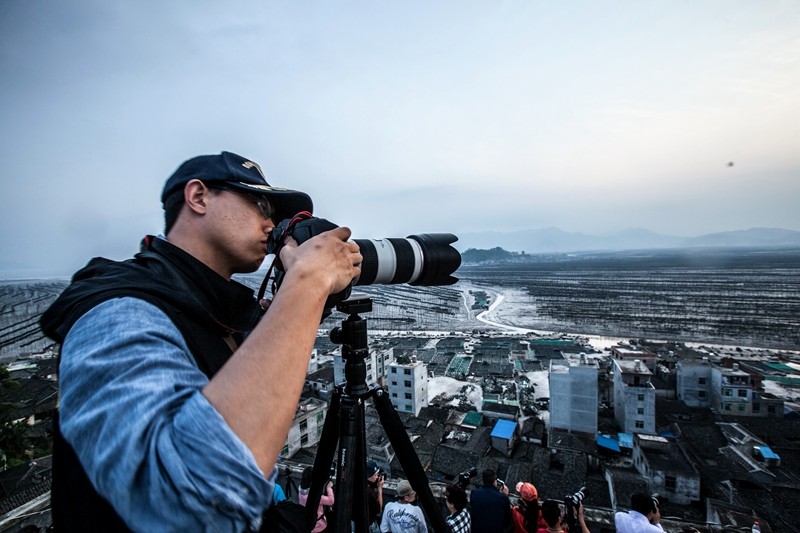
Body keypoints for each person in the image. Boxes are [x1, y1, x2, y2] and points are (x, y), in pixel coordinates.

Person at [40, 151, 363, 531]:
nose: (271, 224)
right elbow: (187, 506)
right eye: (261, 205)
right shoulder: (118, 311)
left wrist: (301, 301)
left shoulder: (212, 311)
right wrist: (308, 282)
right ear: (198, 196)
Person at [469, 469, 512, 533]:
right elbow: (506, 523)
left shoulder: (474, 493)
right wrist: (504, 495)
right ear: (495, 482)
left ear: (483, 480)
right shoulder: (503, 498)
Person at [298, 466, 334, 533]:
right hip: (318, 526)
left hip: (307, 524)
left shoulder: (301, 490)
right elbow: (331, 501)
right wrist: (329, 487)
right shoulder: (313, 496)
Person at [367, 460, 386, 530]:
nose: (377, 477)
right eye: (375, 475)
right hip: (369, 523)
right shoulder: (369, 492)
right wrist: (380, 488)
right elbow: (379, 510)